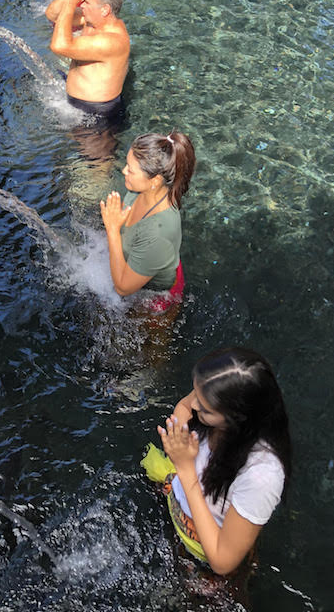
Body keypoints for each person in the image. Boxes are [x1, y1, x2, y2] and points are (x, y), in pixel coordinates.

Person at [141, 347, 292, 576]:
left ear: (237, 418)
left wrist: (185, 467)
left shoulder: (261, 474)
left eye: (204, 409)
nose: (193, 406)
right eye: (196, 392)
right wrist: (180, 429)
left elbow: (222, 563)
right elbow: (184, 407)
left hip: (205, 555)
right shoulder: (214, 392)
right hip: (179, 501)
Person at [100, 131, 194, 297]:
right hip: (149, 259)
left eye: (131, 170)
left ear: (155, 180)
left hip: (155, 299)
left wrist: (112, 230)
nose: (123, 171)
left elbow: (122, 289)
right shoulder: (143, 191)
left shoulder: (159, 234)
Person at [49, 0, 129, 117]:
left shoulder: (112, 41)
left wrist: (72, 0)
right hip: (77, 103)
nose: (82, 5)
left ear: (105, 10)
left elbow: (59, 46)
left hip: (96, 114)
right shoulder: (92, 19)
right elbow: (52, 15)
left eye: (86, 1)